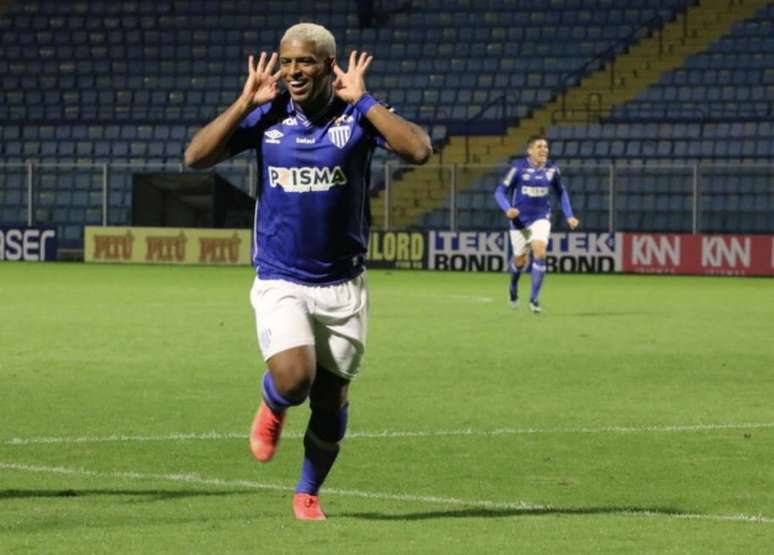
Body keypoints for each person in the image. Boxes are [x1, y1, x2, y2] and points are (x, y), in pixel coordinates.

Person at [184, 22, 431, 520]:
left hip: (344, 285)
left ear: (327, 65)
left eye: (305, 62)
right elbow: (195, 157)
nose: (294, 71)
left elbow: (418, 149)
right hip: (282, 278)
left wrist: (364, 100)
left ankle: (307, 492)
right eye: (287, 61)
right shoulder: (268, 114)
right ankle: (274, 403)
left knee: (330, 400)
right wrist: (243, 102)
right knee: (296, 379)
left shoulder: (355, 117)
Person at [493, 135, 579, 313]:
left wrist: (569, 215)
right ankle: (513, 287)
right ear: (529, 151)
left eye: (546, 147)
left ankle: (534, 299)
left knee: (539, 251)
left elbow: (562, 193)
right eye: (539, 146)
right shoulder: (517, 168)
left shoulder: (552, 170)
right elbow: (500, 191)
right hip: (520, 224)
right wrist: (508, 209)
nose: (544, 150)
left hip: (541, 218)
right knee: (519, 261)